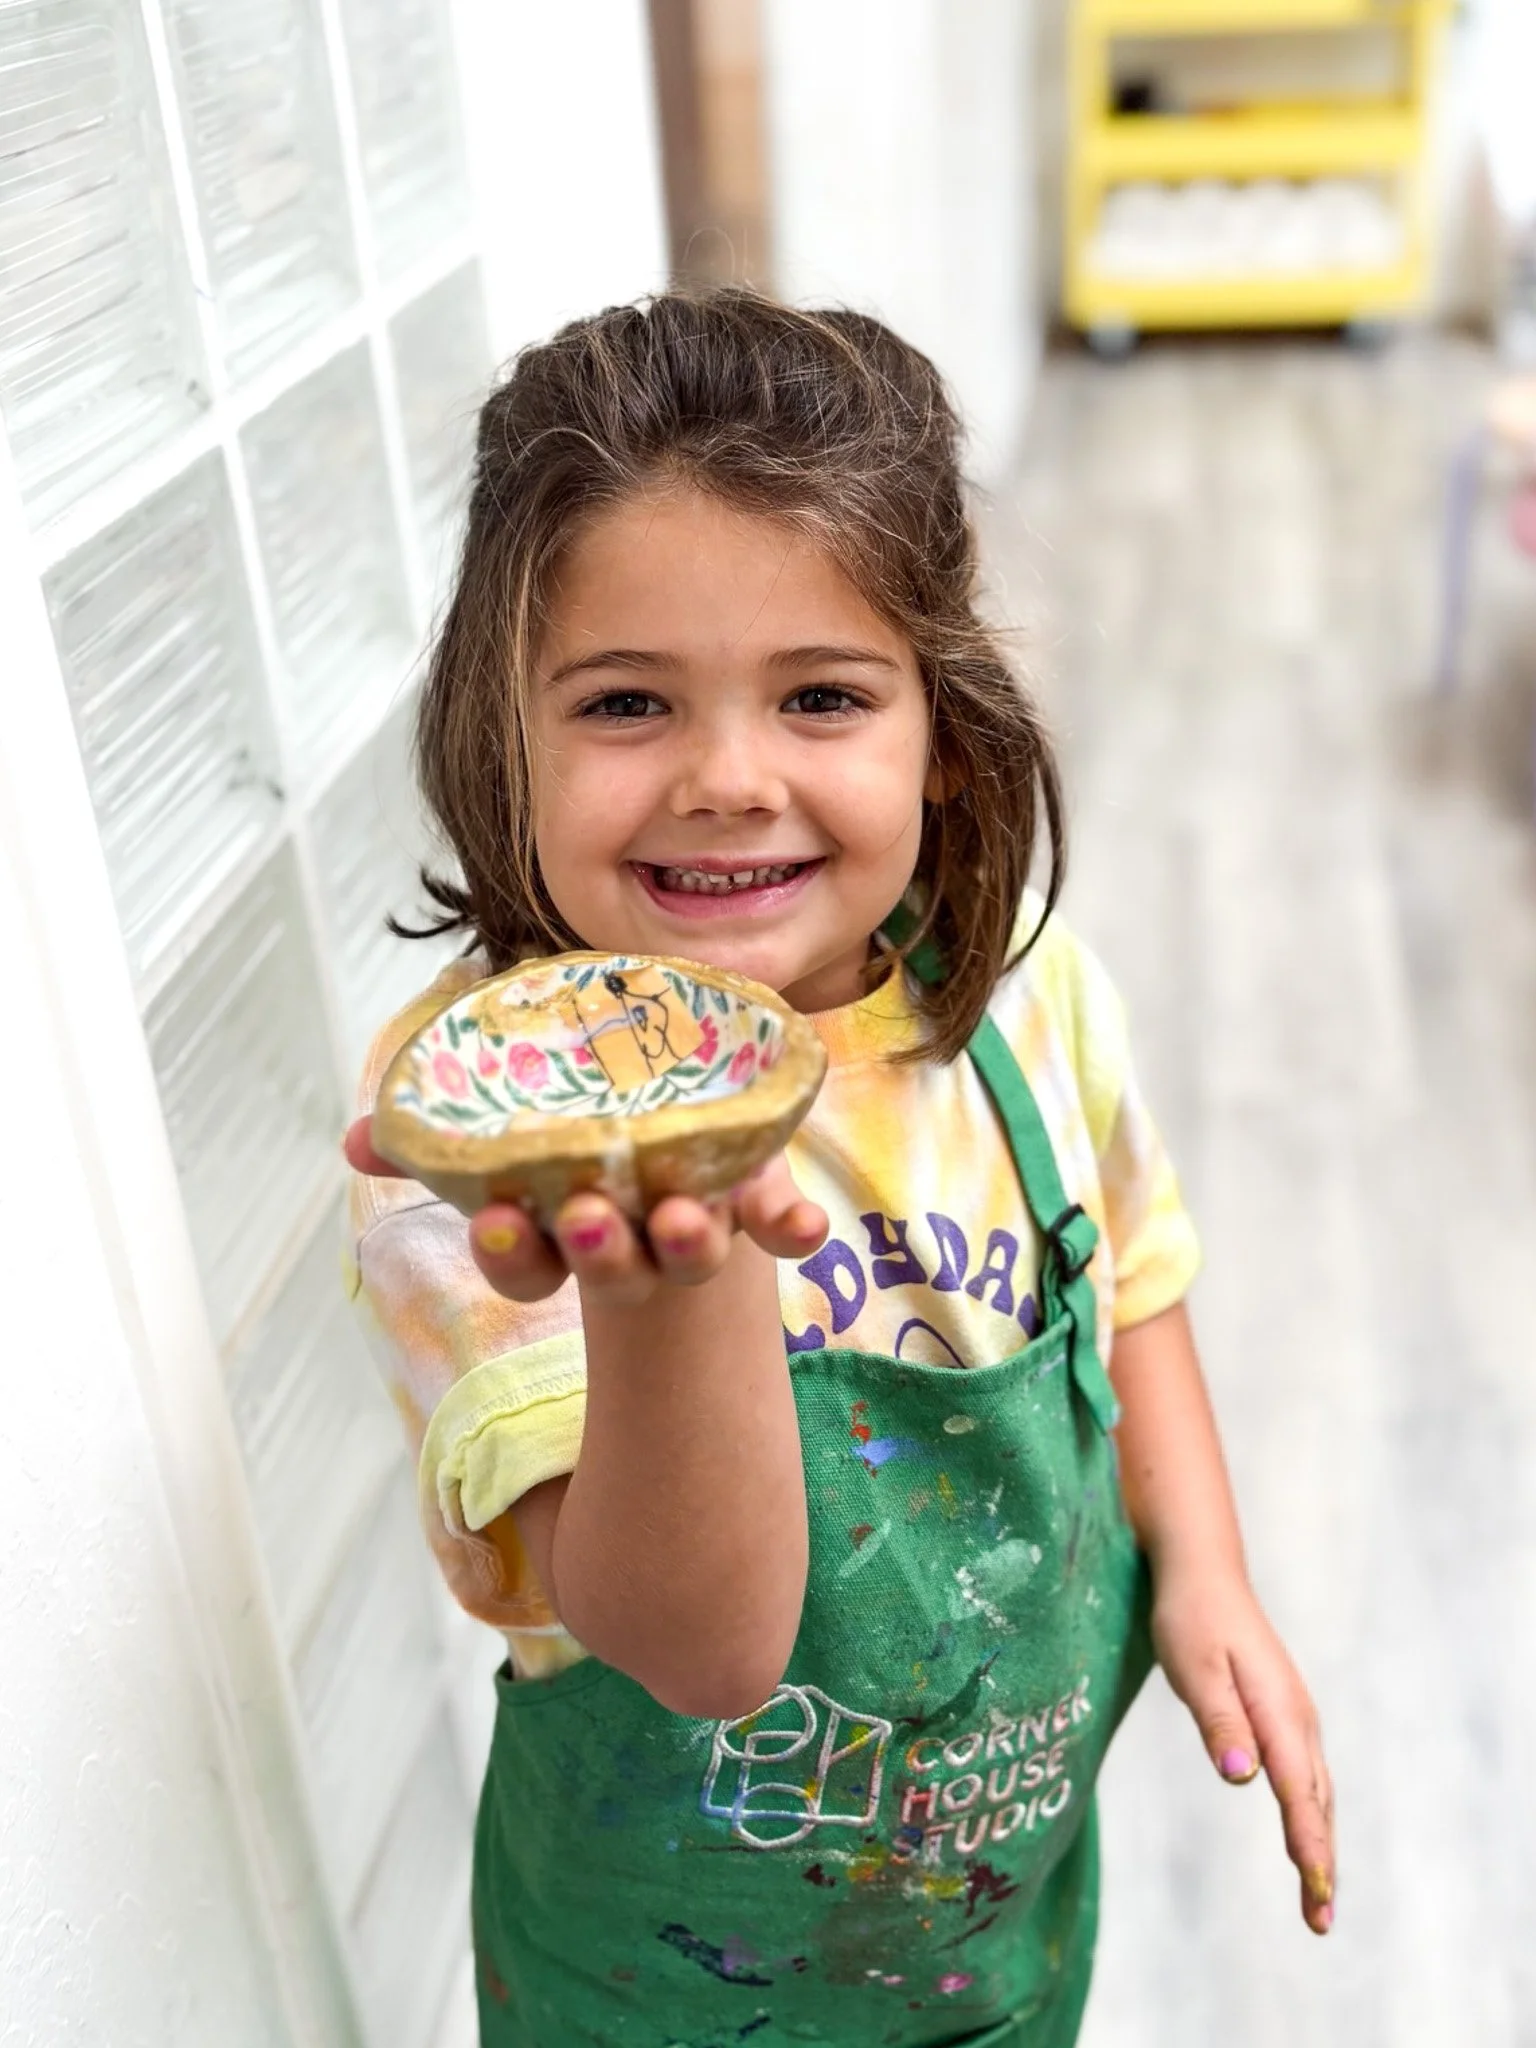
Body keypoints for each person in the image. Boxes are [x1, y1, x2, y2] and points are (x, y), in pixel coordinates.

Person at [343, 289, 1334, 2046]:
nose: (730, 781)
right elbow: (707, 1656)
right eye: (629, 700)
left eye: (821, 695)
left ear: (939, 735)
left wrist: (1207, 1564)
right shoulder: (475, 1147)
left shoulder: (1027, 1009)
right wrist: (679, 1263)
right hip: (657, 1992)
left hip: (994, 1945)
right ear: (504, 731)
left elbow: (1139, 1289)